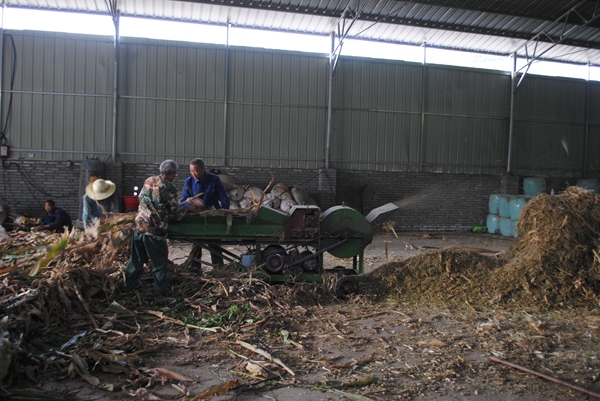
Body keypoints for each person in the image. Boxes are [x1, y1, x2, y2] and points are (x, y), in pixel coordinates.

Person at [122, 160, 188, 296]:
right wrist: (187, 208)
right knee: (159, 263)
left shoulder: (149, 180)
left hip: (139, 227)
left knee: (135, 260)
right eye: (175, 174)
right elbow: (176, 215)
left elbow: (141, 198)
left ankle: (127, 287)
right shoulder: (167, 187)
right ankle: (159, 292)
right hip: (154, 232)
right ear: (172, 174)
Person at [181, 158, 230, 270]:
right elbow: (183, 201)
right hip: (196, 218)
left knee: (215, 245)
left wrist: (224, 211)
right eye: (191, 171)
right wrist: (191, 201)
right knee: (196, 245)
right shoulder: (189, 181)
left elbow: (223, 196)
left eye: (196, 170)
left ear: (203, 169)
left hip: (212, 217)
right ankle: (195, 270)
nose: (193, 173)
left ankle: (219, 270)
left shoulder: (214, 179)